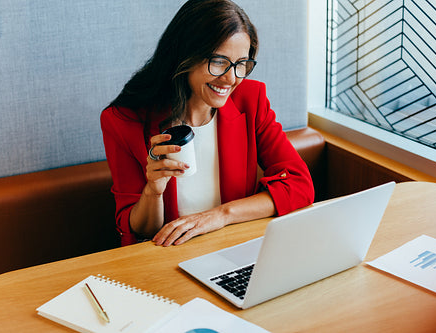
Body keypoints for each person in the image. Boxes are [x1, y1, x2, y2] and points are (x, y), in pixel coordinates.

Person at [100, 0, 314, 247]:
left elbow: (300, 184)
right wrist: (153, 191)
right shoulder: (122, 121)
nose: (231, 78)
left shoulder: (250, 100)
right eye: (219, 61)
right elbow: (138, 231)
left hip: (235, 249)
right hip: (166, 259)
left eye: (241, 64)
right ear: (185, 56)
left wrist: (220, 216)